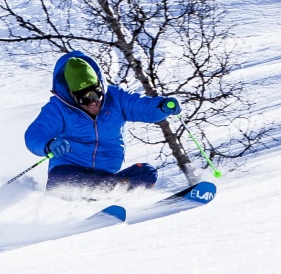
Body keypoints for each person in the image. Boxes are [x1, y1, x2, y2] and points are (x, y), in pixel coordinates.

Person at [24, 51, 181, 196]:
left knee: (147, 172)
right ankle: (96, 196)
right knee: (62, 182)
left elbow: (142, 107)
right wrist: (49, 144)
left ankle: (106, 195)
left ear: (101, 85)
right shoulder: (59, 108)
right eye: (83, 98)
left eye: (95, 93)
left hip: (105, 175)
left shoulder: (116, 98)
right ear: (72, 96)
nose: (92, 102)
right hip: (70, 172)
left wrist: (162, 106)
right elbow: (35, 133)